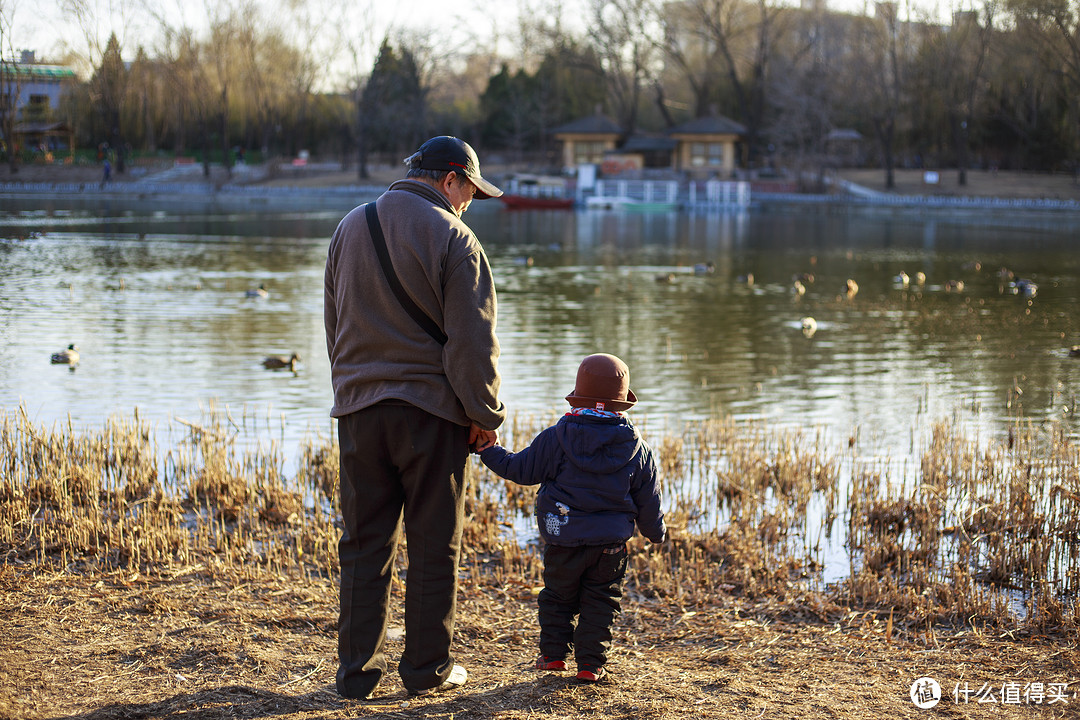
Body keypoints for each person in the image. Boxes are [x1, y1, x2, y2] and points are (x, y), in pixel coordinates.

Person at [324, 136, 506, 699]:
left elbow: (334, 322)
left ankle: (356, 676)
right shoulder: (456, 238)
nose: (470, 203)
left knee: (363, 545)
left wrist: (352, 388)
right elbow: (471, 345)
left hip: (358, 410)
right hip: (431, 416)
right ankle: (426, 671)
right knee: (433, 545)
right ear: (451, 180)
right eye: (470, 191)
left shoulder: (349, 226)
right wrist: (485, 415)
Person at [478, 353, 667, 683]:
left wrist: (487, 450)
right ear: (622, 404)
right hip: (610, 546)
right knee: (601, 602)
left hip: (562, 538)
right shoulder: (638, 449)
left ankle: (552, 657)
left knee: (557, 597)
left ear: (578, 395)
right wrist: (656, 532)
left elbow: (519, 469)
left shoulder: (556, 438)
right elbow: (648, 499)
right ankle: (590, 665)